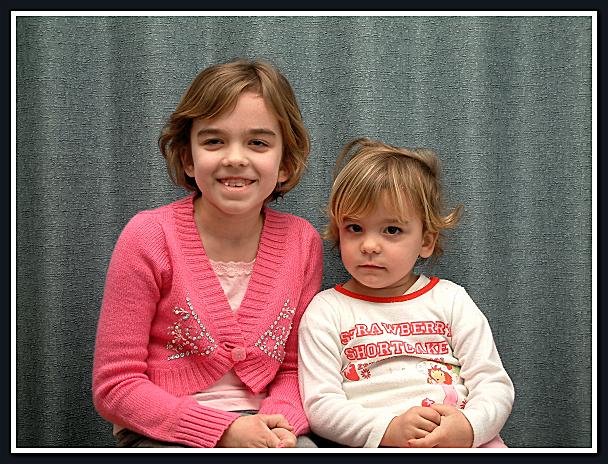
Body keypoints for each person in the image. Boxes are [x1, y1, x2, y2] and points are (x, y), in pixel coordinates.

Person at [92, 58, 323, 448]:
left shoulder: (302, 242)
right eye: (214, 141)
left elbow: (294, 370)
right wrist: (223, 431)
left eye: (258, 143)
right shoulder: (148, 237)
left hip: (267, 427)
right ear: (188, 158)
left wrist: (276, 426)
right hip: (164, 430)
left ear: (285, 163)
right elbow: (116, 385)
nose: (235, 158)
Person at [298, 137, 514, 448]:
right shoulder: (326, 311)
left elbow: (493, 383)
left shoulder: (451, 299)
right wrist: (388, 429)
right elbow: (320, 406)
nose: (369, 245)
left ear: (426, 241)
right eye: (355, 228)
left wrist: (469, 427)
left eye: (392, 230)